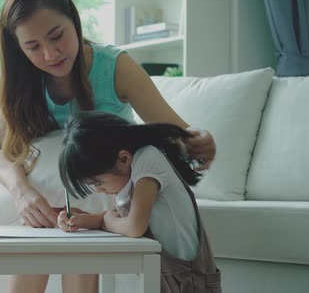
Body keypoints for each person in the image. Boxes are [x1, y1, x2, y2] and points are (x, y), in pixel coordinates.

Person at [0, 0, 216, 293]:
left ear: (75, 22)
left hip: (102, 184)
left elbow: (176, 133)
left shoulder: (114, 66)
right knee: (47, 172)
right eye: (33, 47)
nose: (51, 54)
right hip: (37, 193)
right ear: (19, 50)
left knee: (77, 171)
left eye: (57, 36)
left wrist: (200, 140)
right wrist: (20, 190)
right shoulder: (21, 79)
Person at [57, 111, 221, 292]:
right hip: (167, 278)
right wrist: (81, 221)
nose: (98, 190)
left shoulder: (147, 160)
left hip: (189, 282)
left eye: (97, 183)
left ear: (124, 159)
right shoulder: (128, 174)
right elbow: (119, 219)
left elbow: (134, 226)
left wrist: (106, 221)